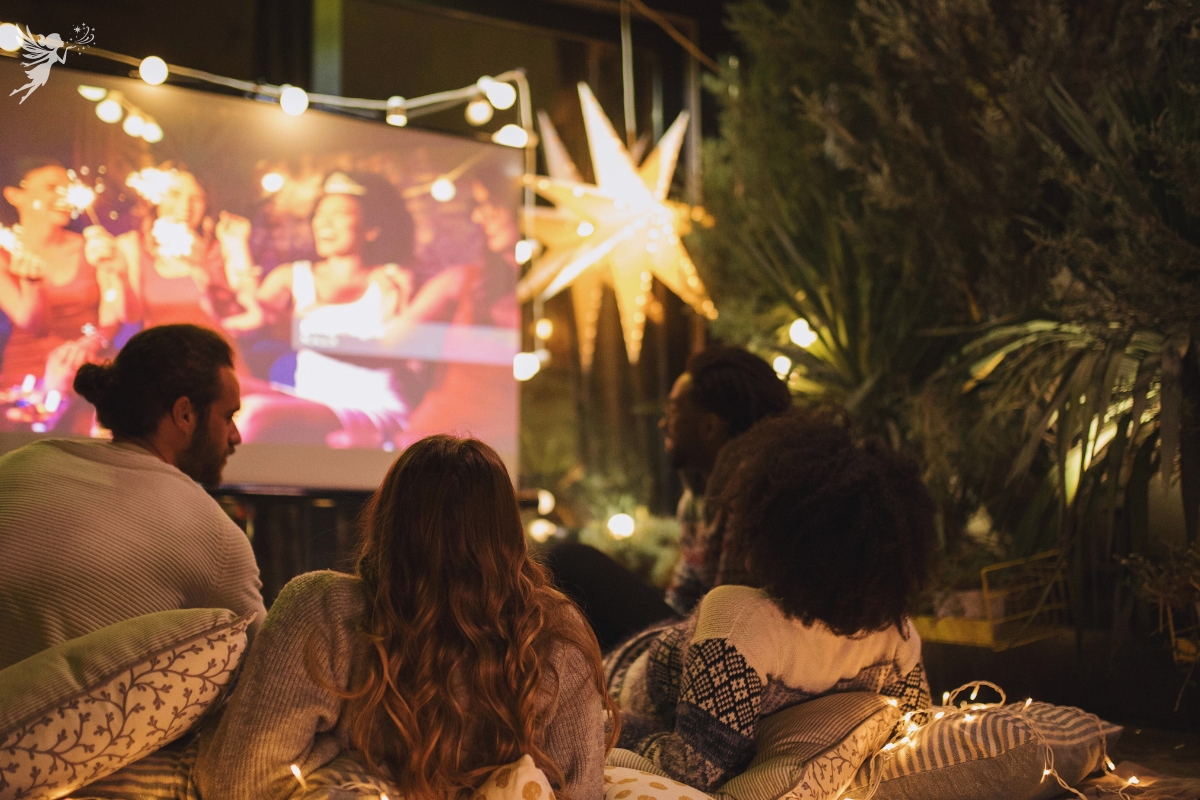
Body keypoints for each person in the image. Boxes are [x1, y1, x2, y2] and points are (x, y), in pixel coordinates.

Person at [195, 435, 616, 800]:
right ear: (508, 531)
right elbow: (580, 792)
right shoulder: (554, 630)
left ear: (387, 517)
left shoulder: (323, 609)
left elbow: (236, 784)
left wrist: (347, 760)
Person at [604, 410, 934, 791]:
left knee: (572, 561)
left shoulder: (742, 623)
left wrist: (605, 723)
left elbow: (693, 771)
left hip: (619, 678)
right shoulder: (898, 637)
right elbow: (919, 731)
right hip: (663, 645)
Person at [0, 324, 266, 670]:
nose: (236, 436)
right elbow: (269, 670)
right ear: (185, 414)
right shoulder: (213, 536)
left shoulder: (16, 467)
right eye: (228, 417)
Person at [545, 346, 792, 650]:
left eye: (673, 412)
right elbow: (683, 597)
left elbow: (734, 619)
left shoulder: (751, 494)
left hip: (724, 645)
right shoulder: (696, 497)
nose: (663, 423)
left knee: (571, 563)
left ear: (709, 427)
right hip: (693, 629)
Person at [230, 171, 470, 448]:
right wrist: (235, 245)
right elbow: (248, 313)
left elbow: (405, 356)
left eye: (340, 214)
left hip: (372, 406)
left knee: (257, 415)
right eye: (320, 214)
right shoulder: (291, 277)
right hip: (310, 401)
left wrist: (297, 332)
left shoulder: (393, 278)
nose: (325, 223)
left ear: (371, 229)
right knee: (228, 391)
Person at [0, 159, 122, 429]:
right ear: (15, 195)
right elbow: (34, 325)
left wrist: (90, 343)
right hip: (27, 371)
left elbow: (113, 312)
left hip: (88, 365)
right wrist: (32, 285)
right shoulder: (4, 253)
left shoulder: (90, 246)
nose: (64, 195)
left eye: (67, 187)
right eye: (52, 187)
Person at [83, 164, 254, 333]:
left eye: (197, 198)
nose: (185, 206)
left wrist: (206, 265)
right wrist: (120, 277)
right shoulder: (131, 246)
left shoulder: (223, 245)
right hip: (162, 348)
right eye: (174, 194)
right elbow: (131, 317)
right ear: (155, 198)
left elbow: (250, 317)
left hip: (215, 347)